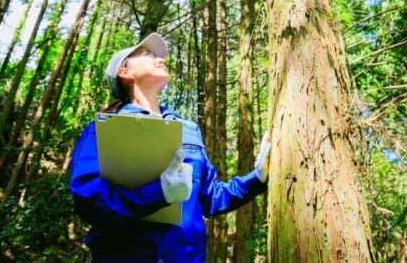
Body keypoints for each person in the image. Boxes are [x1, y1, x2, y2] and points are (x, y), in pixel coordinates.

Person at [70, 32, 270, 262]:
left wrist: (257, 178)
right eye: (147, 54)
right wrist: (159, 192)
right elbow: (88, 199)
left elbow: (211, 197)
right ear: (125, 72)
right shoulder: (101, 128)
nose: (160, 59)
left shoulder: (189, 129)